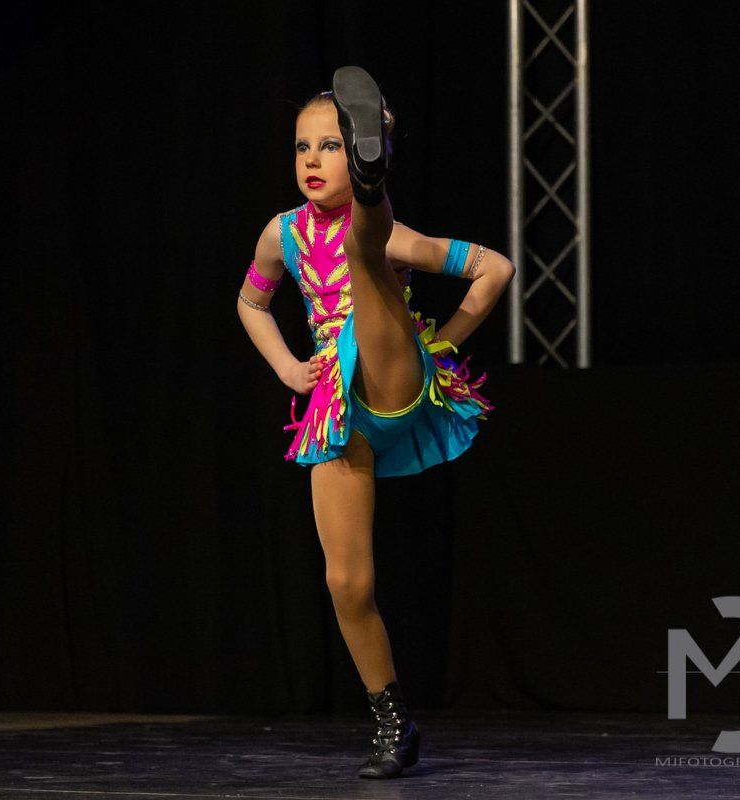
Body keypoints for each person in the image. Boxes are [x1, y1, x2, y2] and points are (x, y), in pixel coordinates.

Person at [235, 66, 516, 779]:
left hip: (394, 372)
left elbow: (496, 269)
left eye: (331, 145)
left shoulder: (393, 238)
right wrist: (286, 367)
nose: (310, 160)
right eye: (303, 147)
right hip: (337, 410)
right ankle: (394, 723)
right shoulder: (282, 235)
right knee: (347, 584)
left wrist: (442, 343)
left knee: (368, 253)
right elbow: (251, 302)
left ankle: (372, 191)